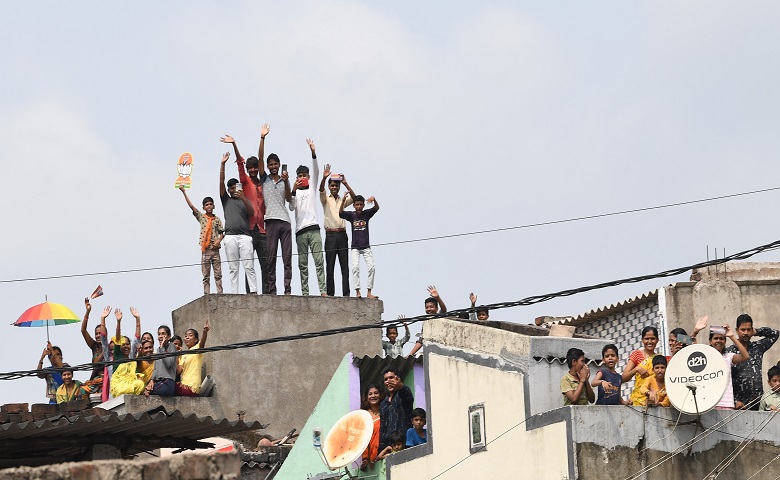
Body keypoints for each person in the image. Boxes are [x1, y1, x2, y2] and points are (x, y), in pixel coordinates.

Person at [221, 129, 270, 294]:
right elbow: (240, 162)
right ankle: (250, 295)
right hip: (248, 229)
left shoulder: (264, 183)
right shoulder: (245, 182)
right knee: (248, 264)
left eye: (255, 168)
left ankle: (266, 294)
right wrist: (234, 144)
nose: (253, 170)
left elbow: (262, 159)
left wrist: (262, 138)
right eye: (250, 168)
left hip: (262, 229)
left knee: (265, 265)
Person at [288, 139, 326, 296]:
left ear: (308, 177)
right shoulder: (296, 192)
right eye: (299, 176)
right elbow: (291, 206)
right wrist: (293, 189)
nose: (302, 178)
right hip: (300, 231)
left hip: (314, 228)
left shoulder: (312, 189)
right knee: (302, 264)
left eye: (304, 175)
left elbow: (317, 171)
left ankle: (323, 291)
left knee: (319, 261)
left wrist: (313, 152)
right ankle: (305, 293)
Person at [259, 126, 293, 295]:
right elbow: (259, 159)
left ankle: (287, 289)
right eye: (270, 164)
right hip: (271, 221)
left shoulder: (284, 180)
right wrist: (262, 138)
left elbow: (288, 198)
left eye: (275, 164)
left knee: (287, 258)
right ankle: (273, 291)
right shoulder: (264, 179)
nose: (273, 166)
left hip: (285, 221)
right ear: (268, 166)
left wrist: (286, 182)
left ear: (279, 165)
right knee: (271, 259)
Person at [219, 151, 257, 294]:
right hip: (230, 236)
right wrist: (223, 164)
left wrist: (243, 198)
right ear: (228, 190)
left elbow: (252, 212)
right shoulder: (226, 200)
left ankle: (253, 291)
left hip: (245, 236)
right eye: (231, 188)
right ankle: (234, 293)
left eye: (235, 187)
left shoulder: (243, 200)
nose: (233, 189)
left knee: (249, 266)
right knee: (233, 268)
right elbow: (221, 183)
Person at [726, 314, 779, 410]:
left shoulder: (757, 347)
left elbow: (775, 333)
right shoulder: (729, 352)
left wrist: (756, 331)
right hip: (739, 404)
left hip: (758, 401)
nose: (746, 333)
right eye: (743, 330)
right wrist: (734, 401)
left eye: (748, 329)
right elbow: (726, 379)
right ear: (737, 330)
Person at [319, 163, 356, 296]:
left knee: (344, 266)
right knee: (330, 266)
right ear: (329, 187)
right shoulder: (325, 199)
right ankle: (330, 294)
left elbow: (355, 198)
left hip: (342, 234)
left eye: (336, 185)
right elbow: (321, 190)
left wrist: (346, 183)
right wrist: (324, 178)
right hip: (330, 235)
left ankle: (346, 294)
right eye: (332, 185)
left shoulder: (343, 199)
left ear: (339, 187)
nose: (334, 187)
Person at [179, 186, 225, 294]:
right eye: (206, 205)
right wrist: (184, 192)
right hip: (206, 249)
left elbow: (222, 233)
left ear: (214, 206)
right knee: (206, 274)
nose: (209, 206)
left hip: (215, 249)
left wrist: (218, 241)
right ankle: (206, 294)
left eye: (210, 204)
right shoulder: (202, 217)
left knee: (218, 274)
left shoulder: (217, 219)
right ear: (204, 207)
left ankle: (220, 293)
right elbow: (192, 207)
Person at [339, 193, 379, 299]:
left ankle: (369, 291)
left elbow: (376, 208)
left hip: (366, 246)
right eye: (357, 205)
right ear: (354, 205)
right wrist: (343, 200)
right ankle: (357, 291)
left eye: (361, 205)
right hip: (355, 247)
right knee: (355, 268)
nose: (359, 207)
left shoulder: (366, 214)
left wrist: (374, 199)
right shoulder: (352, 215)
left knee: (372, 267)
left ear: (363, 205)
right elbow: (341, 213)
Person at [710, 324, 749, 410]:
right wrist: (695, 332)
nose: (719, 341)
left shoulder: (728, 357)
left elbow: (745, 356)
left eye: (721, 338)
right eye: (715, 338)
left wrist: (732, 336)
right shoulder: (706, 358)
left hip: (727, 403)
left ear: (725, 341)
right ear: (710, 341)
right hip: (711, 402)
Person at [622, 326, 660, 406]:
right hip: (638, 400)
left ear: (657, 340)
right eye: (646, 339)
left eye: (652, 338)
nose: (649, 341)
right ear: (642, 340)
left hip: (654, 400)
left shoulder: (659, 358)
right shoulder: (637, 355)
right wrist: (636, 369)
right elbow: (623, 377)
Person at [379, 367, 414, 452]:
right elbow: (383, 428)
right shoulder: (383, 403)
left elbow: (407, 395)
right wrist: (381, 450)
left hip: (404, 445)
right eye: (386, 379)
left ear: (398, 378)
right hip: (390, 447)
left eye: (391, 377)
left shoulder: (402, 393)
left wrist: (400, 386)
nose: (388, 381)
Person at [78, 299, 109, 395]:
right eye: (96, 334)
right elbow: (83, 330)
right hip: (96, 378)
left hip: (108, 377)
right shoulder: (94, 346)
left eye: (100, 333)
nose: (98, 335)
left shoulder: (109, 346)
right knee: (81, 390)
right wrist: (87, 312)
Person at [409, 286, 448, 357]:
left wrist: (438, 298)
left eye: (431, 307)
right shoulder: (426, 323)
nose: (429, 309)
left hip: (441, 349)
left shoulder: (438, 317)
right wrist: (410, 354)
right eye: (426, 307)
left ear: (436, 308)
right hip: (430, 351)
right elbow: (421, 340)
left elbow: (444, 309)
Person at [175, 320, 210, 396]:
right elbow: (178, 372)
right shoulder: (183, 355)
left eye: (190, 335)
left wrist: (205, 331)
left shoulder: (197, 348)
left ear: (196, 339)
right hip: (183, 385)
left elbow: (202, 343)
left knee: (168, 387)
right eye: (186, 336)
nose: (187, 337)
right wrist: (175, 356)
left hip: (192, 387)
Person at [144, 325, 177, 397]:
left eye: (163, 334)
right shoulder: (158, 350)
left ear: (168, 337)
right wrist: (152, 380)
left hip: (167, 382)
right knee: (145, 390)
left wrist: (162, 348)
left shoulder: (172, 346)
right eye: (159, 334)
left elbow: (169, 364)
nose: (160, 336)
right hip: (160, 382)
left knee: (145, 391)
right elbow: (156, 368)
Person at [360, 383, 383, 471]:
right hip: (372, 459)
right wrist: (365, 459)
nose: (373, 396)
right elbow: (363, 438)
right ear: (366, 397)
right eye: (370, 394)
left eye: (376, 393)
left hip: (385, 453)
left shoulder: (386, 411)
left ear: (380, 395)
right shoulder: (364, 415)